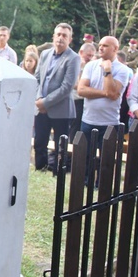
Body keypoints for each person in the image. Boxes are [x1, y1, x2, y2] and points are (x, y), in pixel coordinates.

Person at [34, 23, 81, 173]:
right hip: (40, 107)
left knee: (60, 145)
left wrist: (45, 103)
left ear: (70, 39)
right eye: (58, 34)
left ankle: (58, 171)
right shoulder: (45, 54)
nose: (61, 38)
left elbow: (67, 87)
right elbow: (37, 79)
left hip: (61, 110)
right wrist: (38, 99)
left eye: (64, 35)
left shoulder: (73, 58)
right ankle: (40, 168)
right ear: (53, 36)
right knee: (40, 141)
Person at [77, 36, 131, 142]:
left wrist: (107, 70)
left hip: (109, 123)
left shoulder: (123, 70)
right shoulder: (90, 66)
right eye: (100, 45)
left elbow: (112, 94)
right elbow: (81, 90)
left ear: (115, 49)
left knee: (106, 158)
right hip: (88, 121)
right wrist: (104, 92)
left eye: (105, 46)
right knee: (84, 157)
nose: (101, 48)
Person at [70, 42, 96, 140]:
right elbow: (75, 84)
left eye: (92, 56)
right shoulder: (74, 63)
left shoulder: (91, 67)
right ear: (81, 52)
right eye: (88, 55)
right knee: (74, 129)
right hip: (75, 100)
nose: (90, 58)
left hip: (86, 102)